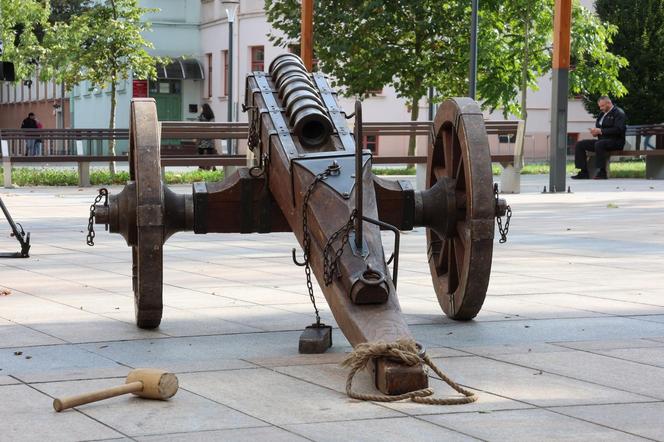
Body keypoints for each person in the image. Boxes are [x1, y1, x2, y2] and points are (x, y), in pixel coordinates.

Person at [571, 96, 626, 180]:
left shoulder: (618, 113)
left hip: (616, 142)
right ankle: (583, 172)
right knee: (580, 144)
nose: (601, 108)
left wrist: (601, 131)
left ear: (609, 103)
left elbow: (619, 129)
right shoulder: (602, 114)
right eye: (600, 106)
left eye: (602, 106)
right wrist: (595, 132)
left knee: (599, 144)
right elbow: (599, 128)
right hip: (602, 141)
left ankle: (602, 172)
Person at [197, 104, 216, 170]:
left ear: (204, 109)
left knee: (200, 151)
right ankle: (211, 166)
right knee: (210, 151)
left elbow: (198, 126)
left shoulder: (200, 116)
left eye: (201, 108)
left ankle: (201, 167)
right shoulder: (211, 116)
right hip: (209, 137)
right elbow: (212, 125)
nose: (200, 109)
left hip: (202, 138)